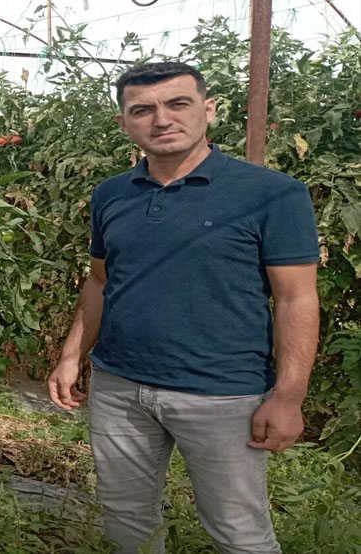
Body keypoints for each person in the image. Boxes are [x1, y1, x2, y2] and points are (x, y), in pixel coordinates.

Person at [47, 62, 319, 553]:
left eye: (178, 104)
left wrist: (289, 395)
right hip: (120, 388)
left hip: (222, 395)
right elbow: (99, 280)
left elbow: (296, 298)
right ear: (123, 122)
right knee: (127, 523)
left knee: (239, 531)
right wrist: (72, 355)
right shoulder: (111, 194)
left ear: (208, 110)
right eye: (142, 110)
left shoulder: (272, 194)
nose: (161, 119)